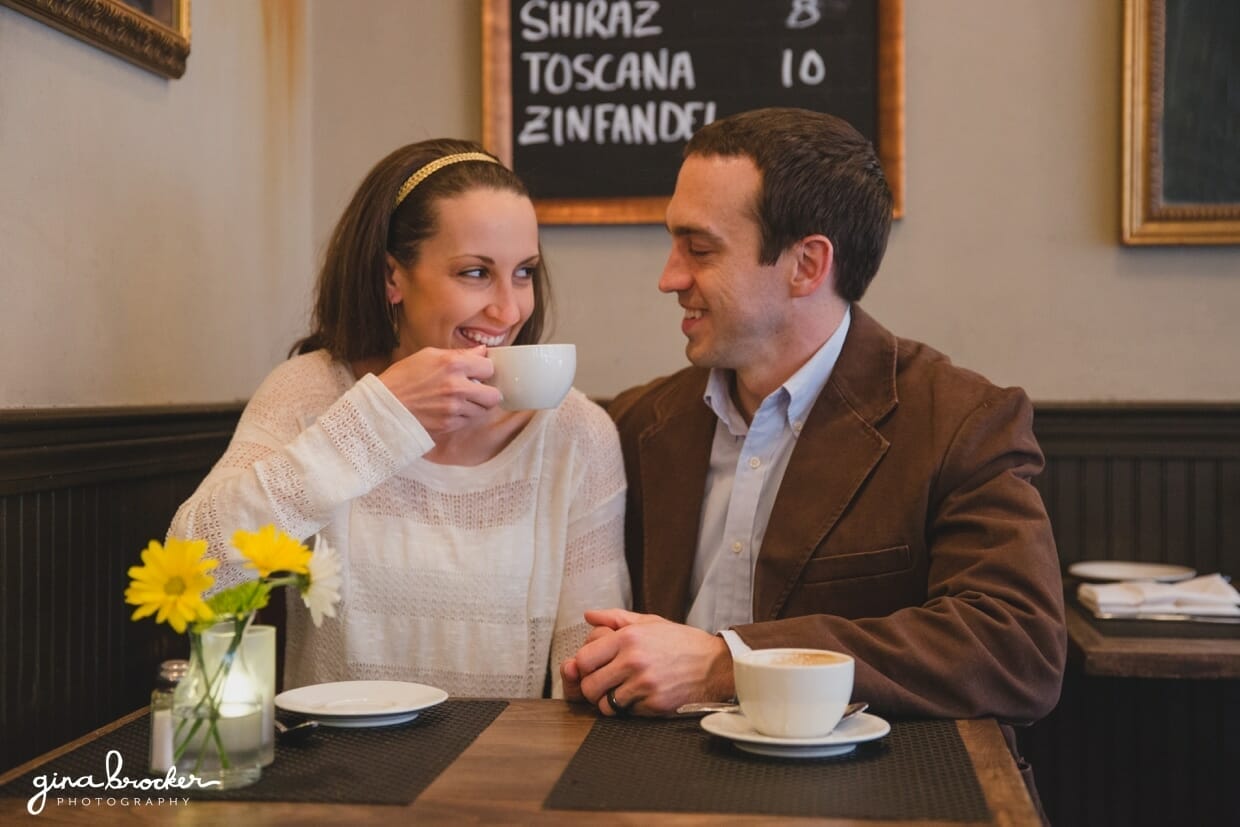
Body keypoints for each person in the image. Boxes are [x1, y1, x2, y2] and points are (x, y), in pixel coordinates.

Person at [561, 107, 1065, 787]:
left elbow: (1016, 648)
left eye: (699, 248)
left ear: (807, 264)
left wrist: (727, 661)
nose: (669, 276)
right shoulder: (637, 421)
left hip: (877, 792)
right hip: (657, 786)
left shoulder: (962, 420)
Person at [171, 139, 630, 698]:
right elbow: (193, 566)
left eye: (524, 272)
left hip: (504, 772)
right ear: (394, 277)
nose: (509, 311)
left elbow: (586, 666)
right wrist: (378, 420)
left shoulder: (575, 433)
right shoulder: (312, 392)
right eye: (475, 273)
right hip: (336, 767)